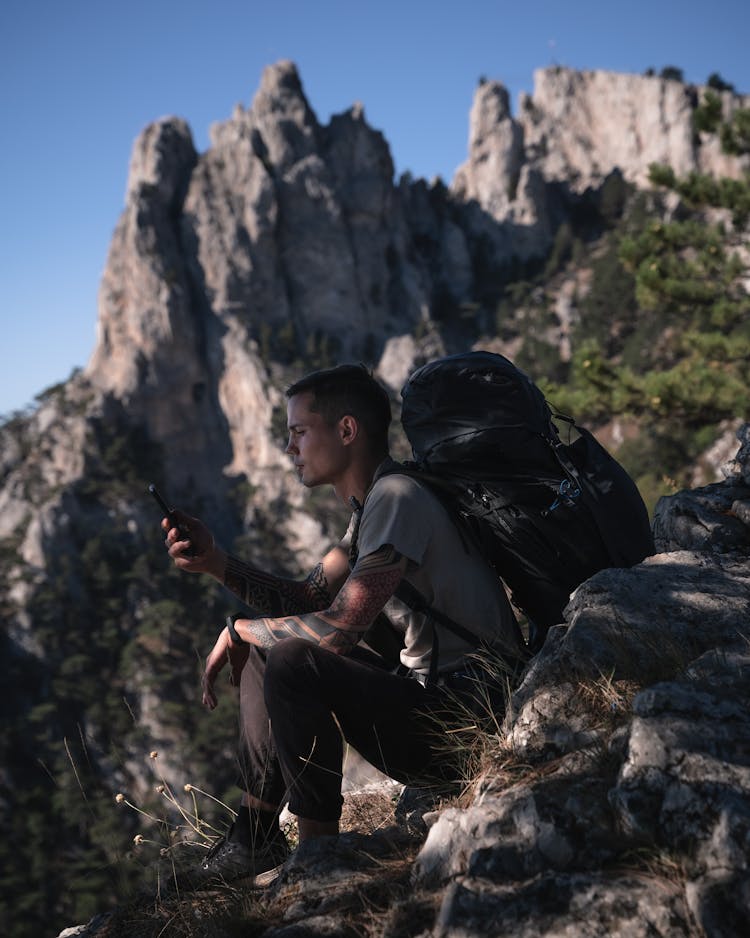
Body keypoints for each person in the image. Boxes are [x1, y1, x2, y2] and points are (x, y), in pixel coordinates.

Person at [162, 363, 526, 888]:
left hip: (467, 719)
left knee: (287, 653)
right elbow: (306, 597)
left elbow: (340, 628)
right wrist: (216, 562)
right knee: (277, 642)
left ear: (347, 431)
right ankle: (256, 836)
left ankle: (316, 858)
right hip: (439, 703)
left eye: (299, 433)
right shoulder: (371, 510)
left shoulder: (397, 499)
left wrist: (242, 631)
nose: (291, 450)